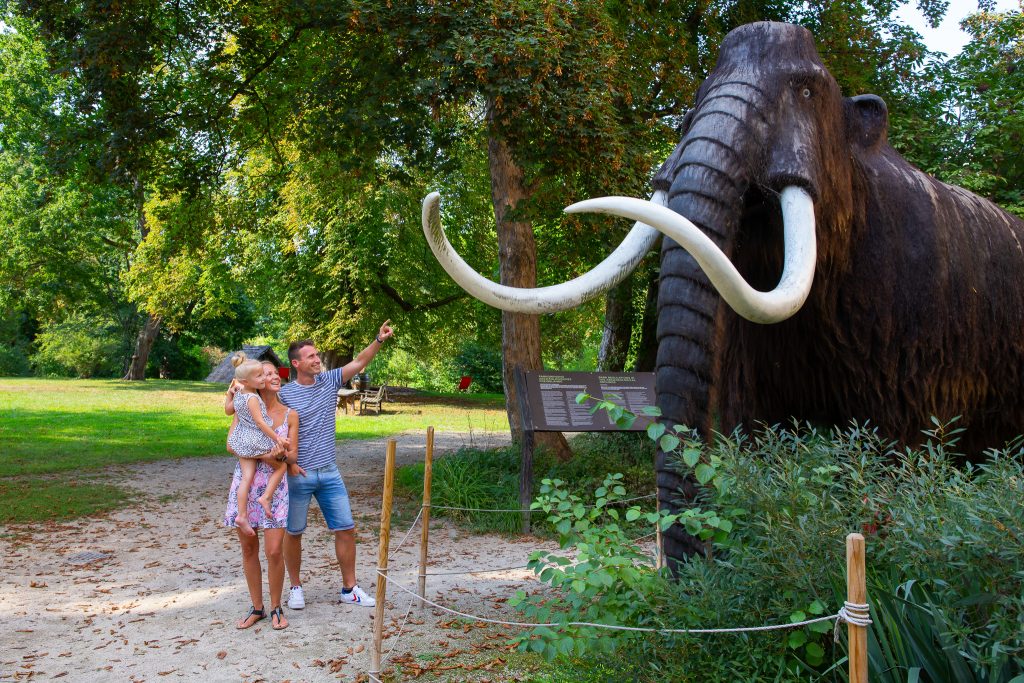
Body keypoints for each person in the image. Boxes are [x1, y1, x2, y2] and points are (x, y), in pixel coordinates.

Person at [278, 320, 394, 610]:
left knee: (346, 528)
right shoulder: (285, 394)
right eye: (311, 357)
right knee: (293, 532)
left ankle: (350, 589)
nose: (317, 359)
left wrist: (379, 339)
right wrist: (287, 463)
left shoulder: (330, 381)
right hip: (297, 474)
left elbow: (360, 361)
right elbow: (269, 426)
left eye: (317, 355)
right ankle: (295, 588)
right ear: (296, 363)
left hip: (329, 471)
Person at [224, 361, 303, 630]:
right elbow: (231, 443)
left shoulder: (290, 414)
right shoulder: (246, 406)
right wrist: (265, 454)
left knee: (274, 551)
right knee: (248, 548)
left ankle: (276, 607)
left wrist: (281, 457)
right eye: (266, 373)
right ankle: (256, 607)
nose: (273, 376)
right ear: (254, 380)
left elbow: (292, 456)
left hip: (274, 489)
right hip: (246, 484)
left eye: (274, 373)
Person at [226, 353, 290, 536]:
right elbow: (261, 423)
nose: (263, 378)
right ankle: (266, 497)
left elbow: (227, 410)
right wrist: (278, 439)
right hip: (254, 441)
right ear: (246, 381)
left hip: (242, 441)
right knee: (281, 466)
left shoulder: (240, 395)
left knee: (246, 479)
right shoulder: (253, 398)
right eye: (260, 375)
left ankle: (242, 515)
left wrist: (229, 394)